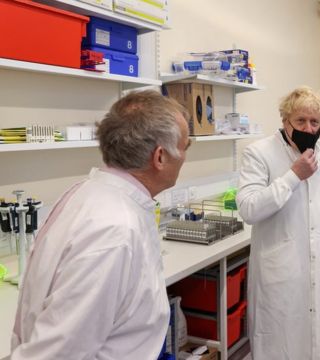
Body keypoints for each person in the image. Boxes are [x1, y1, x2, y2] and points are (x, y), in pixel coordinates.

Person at [11, 90, 191, 359]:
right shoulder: (115, 230)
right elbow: (60, 352)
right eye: (186, 147)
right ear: (160, 157)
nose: (185, 157)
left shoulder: (88, 193)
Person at [236, 86, 320, 360]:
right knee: (282, 335)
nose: (309, 129)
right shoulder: (259, 152)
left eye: (315, 122)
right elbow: (249, 208)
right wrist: (292, 176)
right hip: (282, 265)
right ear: (284, 120)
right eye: (300, 121)